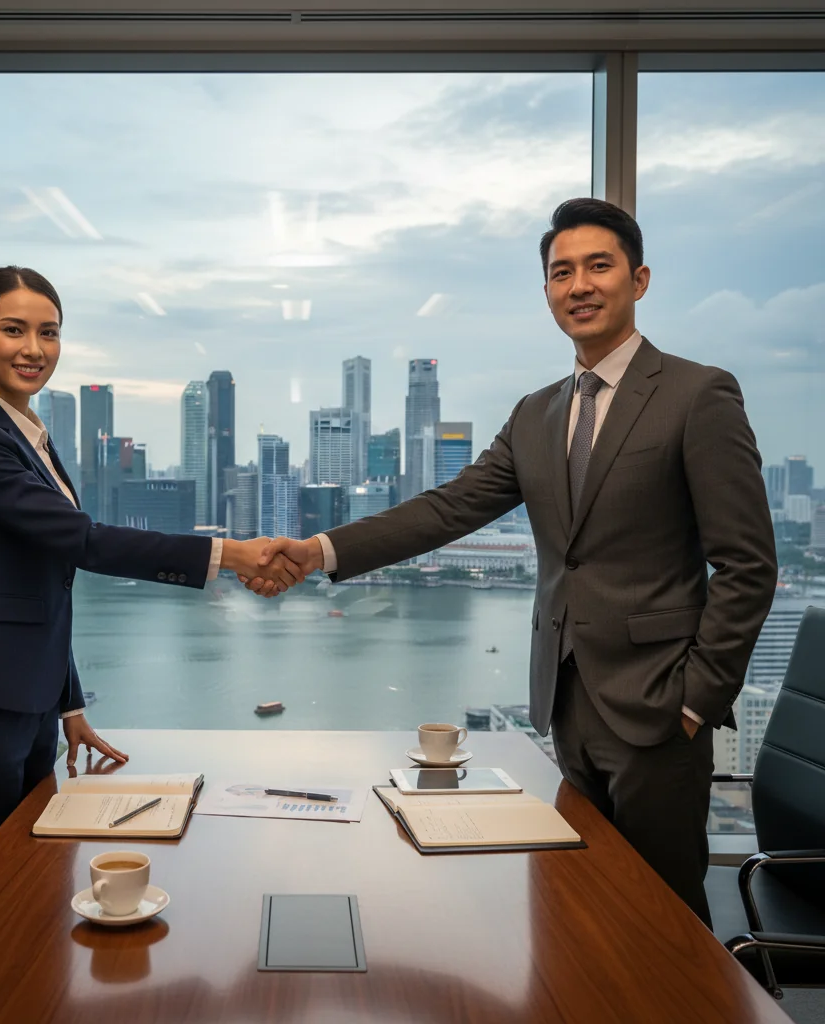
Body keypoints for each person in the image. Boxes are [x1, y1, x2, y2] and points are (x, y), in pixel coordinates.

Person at [246, 199, 777, 926]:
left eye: (599, 266)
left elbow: (747, 565)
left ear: (639, 279)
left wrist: (696, 701)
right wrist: (317, 551)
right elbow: (446, 509)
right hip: (566, 704)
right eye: (562, 272)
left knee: (663, 920)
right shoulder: (537, 414)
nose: (579, 285)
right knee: (574, 908)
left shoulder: (697, 394)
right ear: (548, 292)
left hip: (659, 708)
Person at [0, 266, 303, 897]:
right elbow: (84, 542)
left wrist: (67, 703)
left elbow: (39, 590)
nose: (34, 349)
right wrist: (229, 555)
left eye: (49, 333)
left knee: (32, 895)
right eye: (13, 330)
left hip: (27, 706)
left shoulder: (29, 439)